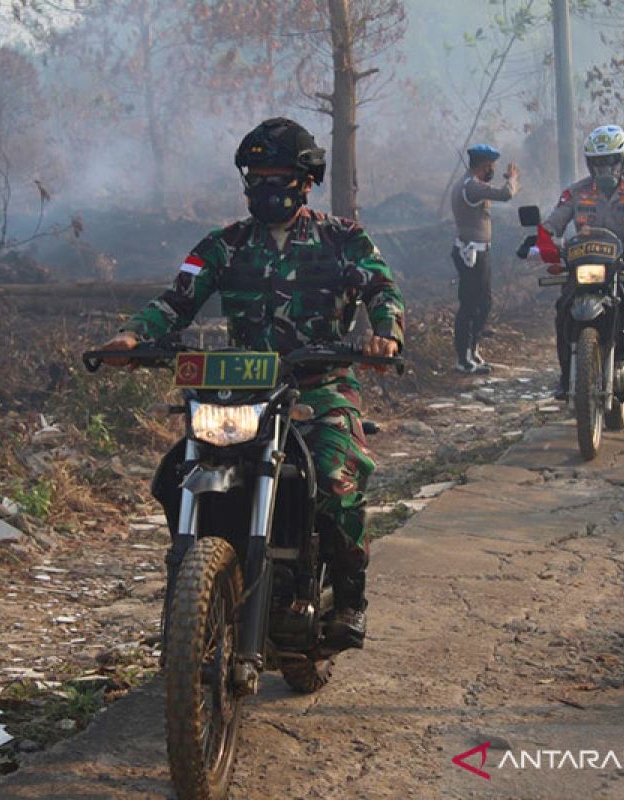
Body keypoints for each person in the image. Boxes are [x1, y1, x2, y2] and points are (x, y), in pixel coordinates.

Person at [97, 118, 405, 650]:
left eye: (277, 177)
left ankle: (350, 596)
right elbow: (177, 298)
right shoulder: (223, 245)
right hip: (242, 390)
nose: (266, 188)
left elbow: (381, 289)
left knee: (335, 479)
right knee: (176, 474)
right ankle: (198, 591)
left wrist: (385, 335)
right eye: (255, 177)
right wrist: (132, 337)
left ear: (305, 182)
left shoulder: (343, 239)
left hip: (318, 385)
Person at [541, 124, 624, 400]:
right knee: (563, 308)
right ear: (590, 164)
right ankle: (566, 376)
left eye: (612, 161)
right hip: (583, 260)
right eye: (599, 163)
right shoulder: (575, 192)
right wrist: (540, 240)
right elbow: (554, 221)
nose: (606, 169)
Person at [450, 144, 519, 374]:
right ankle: (463, 357)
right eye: (491, 167)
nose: (493, 171)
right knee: (469, 305)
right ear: (483, 166)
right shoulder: (471, 186)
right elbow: (505, 194)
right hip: (472, 253)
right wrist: (512, 178)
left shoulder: (472, 185)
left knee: (484, 302)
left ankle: (473, 348)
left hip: (481, 252)